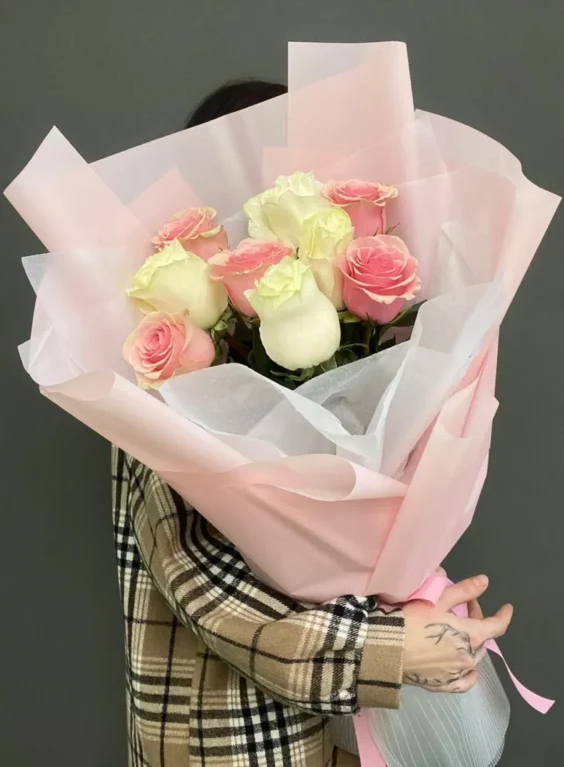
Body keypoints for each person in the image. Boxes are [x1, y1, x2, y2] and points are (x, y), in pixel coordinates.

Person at [111, 80, 513, 767]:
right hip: (222, 741)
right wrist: (396, 648)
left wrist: (413, 599)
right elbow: (207, 588)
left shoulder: (305, 354)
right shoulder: (168, 380)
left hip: (311, 728)